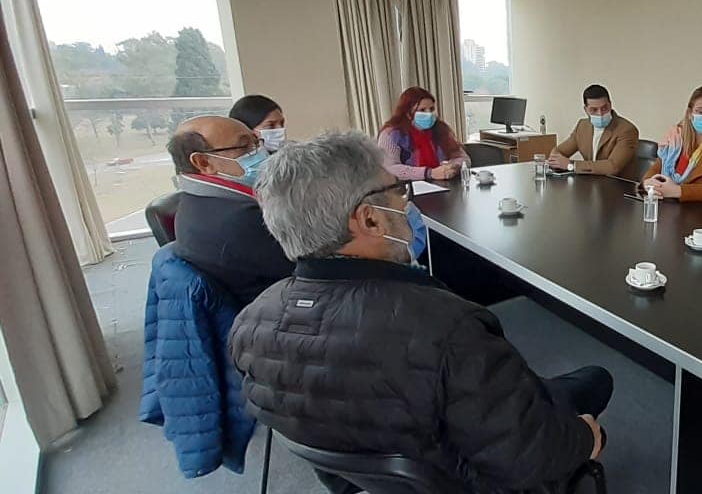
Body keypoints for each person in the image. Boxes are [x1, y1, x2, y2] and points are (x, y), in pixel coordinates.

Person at [229, 131, 611, 493]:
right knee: (595, 380)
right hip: (474, 480)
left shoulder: (249, 325)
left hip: (374, 478)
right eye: (398, 190)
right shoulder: (447, 328)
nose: (405, 203)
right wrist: (583, 437)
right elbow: (529, 457)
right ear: (370, 219)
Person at [166, 115, 292, 306]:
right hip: (279, 309)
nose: (260, 152)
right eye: (244, 147)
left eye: (256, 143)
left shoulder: (199, 203)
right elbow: (310, 267)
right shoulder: (240, 219)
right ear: (203, 162)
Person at [377, 86, 469, 181]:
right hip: (408, 187)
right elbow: (390, 168)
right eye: (422, 110)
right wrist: (429, 173)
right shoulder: (390, 135)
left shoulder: (441, 129)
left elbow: (463, 158)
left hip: (443, 184)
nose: (429, 114)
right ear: (408, 113)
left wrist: (454, 167)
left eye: (431, 109)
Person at [548, 84, 639, 175]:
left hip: (617, 182)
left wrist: (571, 165)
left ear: (610, 105)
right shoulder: (582, 126)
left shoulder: (627, 130)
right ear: (586, 109)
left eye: (604, 108)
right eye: (594, 110)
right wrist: (557, 162)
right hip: (590, 181)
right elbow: (558, 152)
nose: (600, 113)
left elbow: (612, 166)